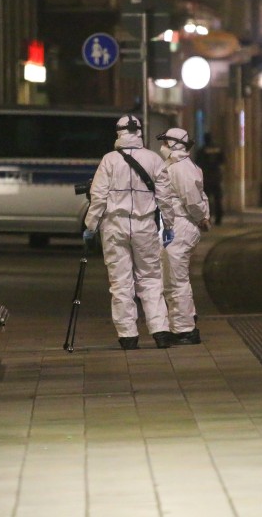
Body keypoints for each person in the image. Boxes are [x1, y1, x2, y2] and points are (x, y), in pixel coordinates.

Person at [83, 115, 176, 350]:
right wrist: (169, 224)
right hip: (145, 225)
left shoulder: (109, 161)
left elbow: (99, 196)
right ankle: (160, 331)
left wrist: (91, 225)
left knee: (121, 282)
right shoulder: (154, 159)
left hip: (115, 225)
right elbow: (165, 197)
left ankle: (128, 335)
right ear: (139, 132)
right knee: (151, 278)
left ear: (119, 133)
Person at [157, 128, 211, 345]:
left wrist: (201, 218)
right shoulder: (177, 166)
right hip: (176, 225)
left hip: (181, 225)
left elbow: (192, 199)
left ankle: (185, 329)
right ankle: (183, 321)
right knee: (170, 277)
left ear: (174, 144)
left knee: (176, 279)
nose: (163, 146)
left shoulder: (180, 168)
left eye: (166, 142)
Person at [197, 132, 225, 225]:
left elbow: (198, 163)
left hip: (206, 177)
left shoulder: (202, 150)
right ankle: (218, 218)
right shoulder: (218, 149)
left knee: (206, 199)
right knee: (218, 199)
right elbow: (223, 161)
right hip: (216, 177)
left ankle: (208, 218)